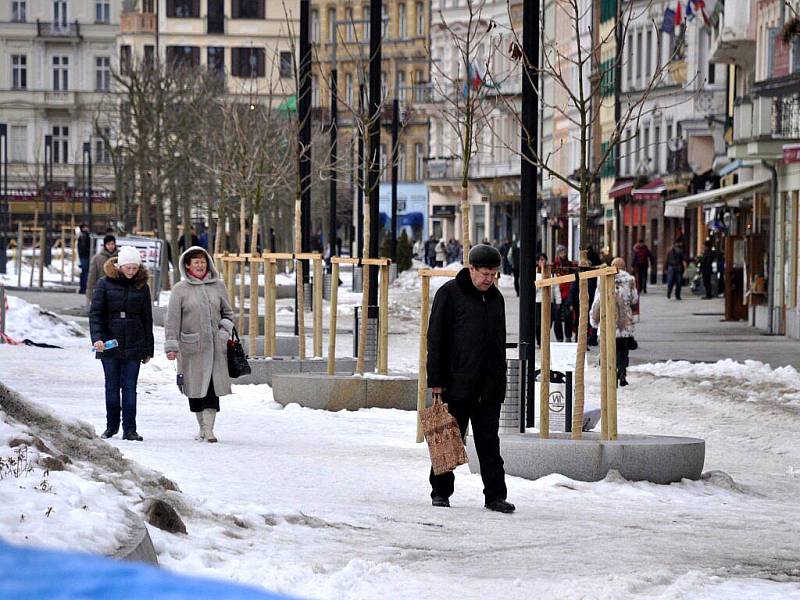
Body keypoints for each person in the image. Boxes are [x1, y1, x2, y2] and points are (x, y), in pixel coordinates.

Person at [426, 244, 515, 514]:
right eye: (484, 273)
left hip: (488, 386)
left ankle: (495, 496)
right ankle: (441, 492)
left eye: (493, 274)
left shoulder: (496, 299)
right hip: (457, 384)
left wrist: (501, 380)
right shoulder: (449, 294)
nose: (488, 279)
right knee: (449, 440)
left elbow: (498, 343)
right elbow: (436, 339)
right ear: (471, 269)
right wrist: (437, 381)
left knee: (489, 443)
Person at [164, 247, 235, 443]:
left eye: (203, 261)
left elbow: (228, 314)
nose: (200, 265)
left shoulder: (218, 286)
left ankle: (209, 429)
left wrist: (223, 331)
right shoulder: (180, 290)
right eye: (196, 262)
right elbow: (172, 320)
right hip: (191, 348)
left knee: (212, 389)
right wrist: (171, 346)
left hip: (215, 348)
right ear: (187, 265)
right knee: (195, 389)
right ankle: (201, 427)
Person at [90, 246, 154, 441]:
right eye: (128, 267)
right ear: (119, 266)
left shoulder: (142, 286)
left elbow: (147, 318)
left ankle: (130, 429)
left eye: (135, 268)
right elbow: (96, 314)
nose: (131, 272)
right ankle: (111, 426)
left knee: (129, 387)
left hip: (135, 340)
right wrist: (97, 338)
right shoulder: (104, 283)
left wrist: (148, 349)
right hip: (110, 341)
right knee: (111, 386)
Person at [590, 257, 638, 387]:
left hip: (607, 321)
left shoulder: (603, 278)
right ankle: (622, 372)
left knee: (607, 350)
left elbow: (598, 301)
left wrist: (594, 320)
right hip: (624, 323)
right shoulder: (630, 280)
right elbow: (634, 299)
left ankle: (610, 375)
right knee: (623, 350)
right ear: (624, 267)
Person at [535, 253, 561, 347]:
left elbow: (556, 288)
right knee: (538, 323)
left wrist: (558, 301)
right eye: (541, 260)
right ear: (537, 262)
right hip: (538, 302)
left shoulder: (552, 273)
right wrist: (541, 281)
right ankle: (539, 340)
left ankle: (545, 339)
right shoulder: (535, 274)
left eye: (544, 259)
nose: (543, 261)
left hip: (550, 301)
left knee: (548, 322)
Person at [87, 234, 117, 303]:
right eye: (108, 244)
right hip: (102, 290)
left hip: (116, 291)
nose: (111, 246)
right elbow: (92, 276)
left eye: (112, 244)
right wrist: (90, 293)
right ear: (105, 245)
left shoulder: (119, 257)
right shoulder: (97, 258)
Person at [553, 245, 573, 342]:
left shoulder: (569, 264)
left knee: (568, 316)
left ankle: (568, 336)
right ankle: (559, 337)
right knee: (557, 318)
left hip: (567, 294)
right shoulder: (555, 265)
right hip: (557, 294)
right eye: (561, 252)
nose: (563, 254)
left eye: (564, 252)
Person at [77, 223, 91, 295]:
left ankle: (82, 288)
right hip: (85, 257)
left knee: (84, 272)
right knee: (85, 272)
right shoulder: (84, 236)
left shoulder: (82, 236)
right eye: (85, 227)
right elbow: (85, 248)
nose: (87, 229)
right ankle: (83, 288)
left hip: (83, 257)